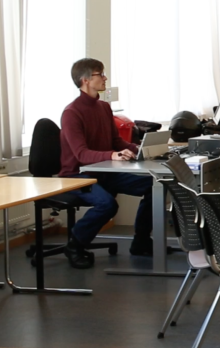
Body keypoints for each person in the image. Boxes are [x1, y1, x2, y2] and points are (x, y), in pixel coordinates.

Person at [59, 58, 153, 269]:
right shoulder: (71, 113)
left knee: (155, 186)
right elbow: (81, 154)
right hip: (77, 176)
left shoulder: (103, 107)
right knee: (107, 204)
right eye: (99, 74)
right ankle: (74, 245)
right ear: (85, 80)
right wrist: (112, 155)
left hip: (104, 172)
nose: (105, 78)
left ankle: (141, 242)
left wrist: (142, 149)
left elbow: (116, 142)